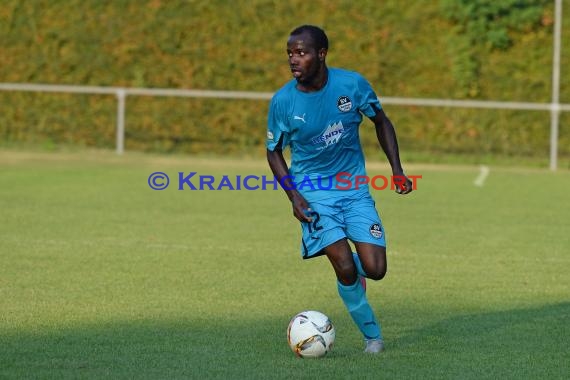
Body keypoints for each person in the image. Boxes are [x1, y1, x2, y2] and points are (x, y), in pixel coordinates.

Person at [266, 25, 413, 354]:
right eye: (290, 53)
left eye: (301, 52)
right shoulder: (283, 102)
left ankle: (352, 273)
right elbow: (273, 151)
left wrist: (397, 170)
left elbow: (382, 121)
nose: (294, 59)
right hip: (313, 193)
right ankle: (372, 337)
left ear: (321, 54)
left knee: (376, 269)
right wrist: (295, 197)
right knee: (345, 266)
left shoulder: (352, 85)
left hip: (354, 189)